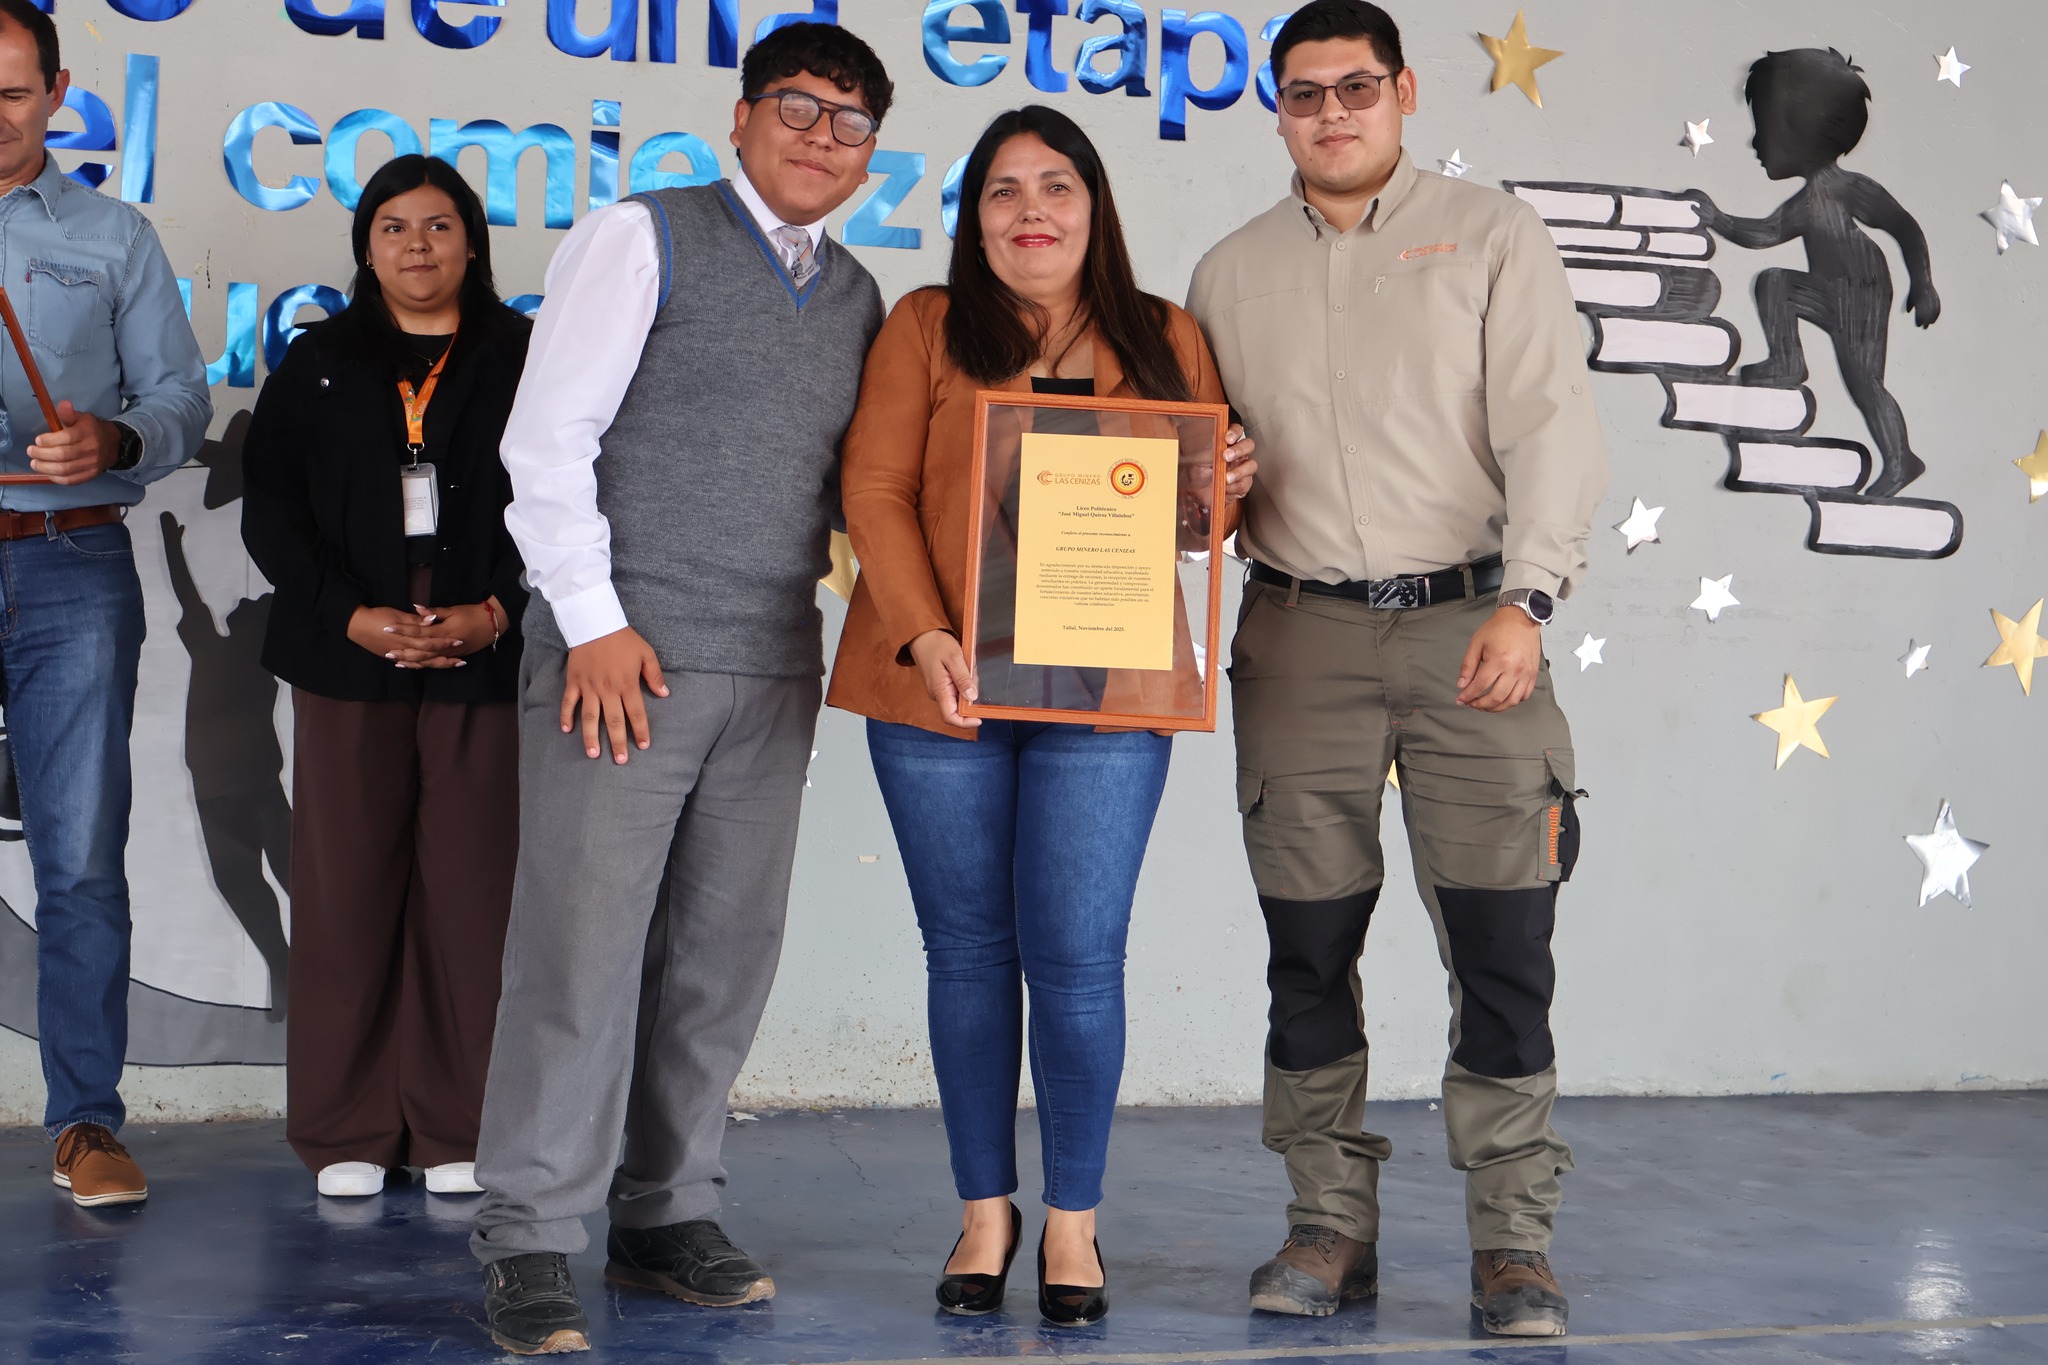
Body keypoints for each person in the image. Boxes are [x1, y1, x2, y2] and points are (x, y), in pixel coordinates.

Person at [468, 22, 893, 1355]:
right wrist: (591, 622)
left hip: (773, 671)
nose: (820, 138)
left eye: (848, 123)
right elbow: (544, 440)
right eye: (799, 108)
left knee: (718, 962)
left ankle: (666, 1213)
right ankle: (533, 1235)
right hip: (622, 666)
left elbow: (861, 495)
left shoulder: (860, 296)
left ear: (872, 154)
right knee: (578, 957)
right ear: (743, 115)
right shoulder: (642, 235)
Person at [1185, 0, 1607, 1338]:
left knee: (1501, 945)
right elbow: (1205, 484)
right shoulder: (1226, 274)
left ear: (1405, 93)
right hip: (1296, 632)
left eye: (1355, 88)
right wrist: (1212, 488)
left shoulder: (1492, 236)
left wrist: (1530, 599)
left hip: (1472, 622)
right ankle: (1329, 1225)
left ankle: (1513, 1241)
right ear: (1278, 111)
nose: (1332, 113)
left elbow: (1553, 426)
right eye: (1304, 94)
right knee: (1307, 950)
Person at [828, 105, 1256, 1327]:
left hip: (1104, 693)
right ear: (974, 216)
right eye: (1003, 190)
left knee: (1075, 962)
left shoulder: (1165, 332)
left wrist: (1221, 490)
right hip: (939, 684)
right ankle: (983, 1212)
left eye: (1054, 186)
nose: (1030, 211)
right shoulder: (923, 324)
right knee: (965, 954)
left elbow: (1190, 523)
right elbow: (875, 485)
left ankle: (1072, 1220)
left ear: (1093, 205)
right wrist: (924, 632)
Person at [240, 154, 531, 1199]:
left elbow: (564, 497)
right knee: (344, 889)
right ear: (366, 247)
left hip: (484, 652)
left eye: (439, 226)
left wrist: (498, 610)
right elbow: (271, 510)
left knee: (470, 892)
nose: (418, 246)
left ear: (471, 240)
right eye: (394, 228)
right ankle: (346, 1129)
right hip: (344, 653)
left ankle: (457, 1125)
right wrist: (352, 616)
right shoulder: (319, 361)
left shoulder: (522, 355)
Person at [0, 0, 211, 1208]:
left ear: (59, 91)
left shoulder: (112, 236)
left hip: (69, 558)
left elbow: (181, 397)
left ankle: (84, 1124)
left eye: (15, 94)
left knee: (78, 858)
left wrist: (117, 436)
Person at [1688, 46, 1938, 497]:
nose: (1755, 144)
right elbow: (1765, 234)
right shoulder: (1808, 201)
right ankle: (1787, 359)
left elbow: (1903, 225)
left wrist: (1923, 283)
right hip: (1827, 289)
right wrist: (1716, 218)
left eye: (1764, 131)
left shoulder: (1847, 190)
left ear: (1803, 131)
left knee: (1864, 382)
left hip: (1862, 291)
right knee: (1776, 282)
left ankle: (1902, 459)